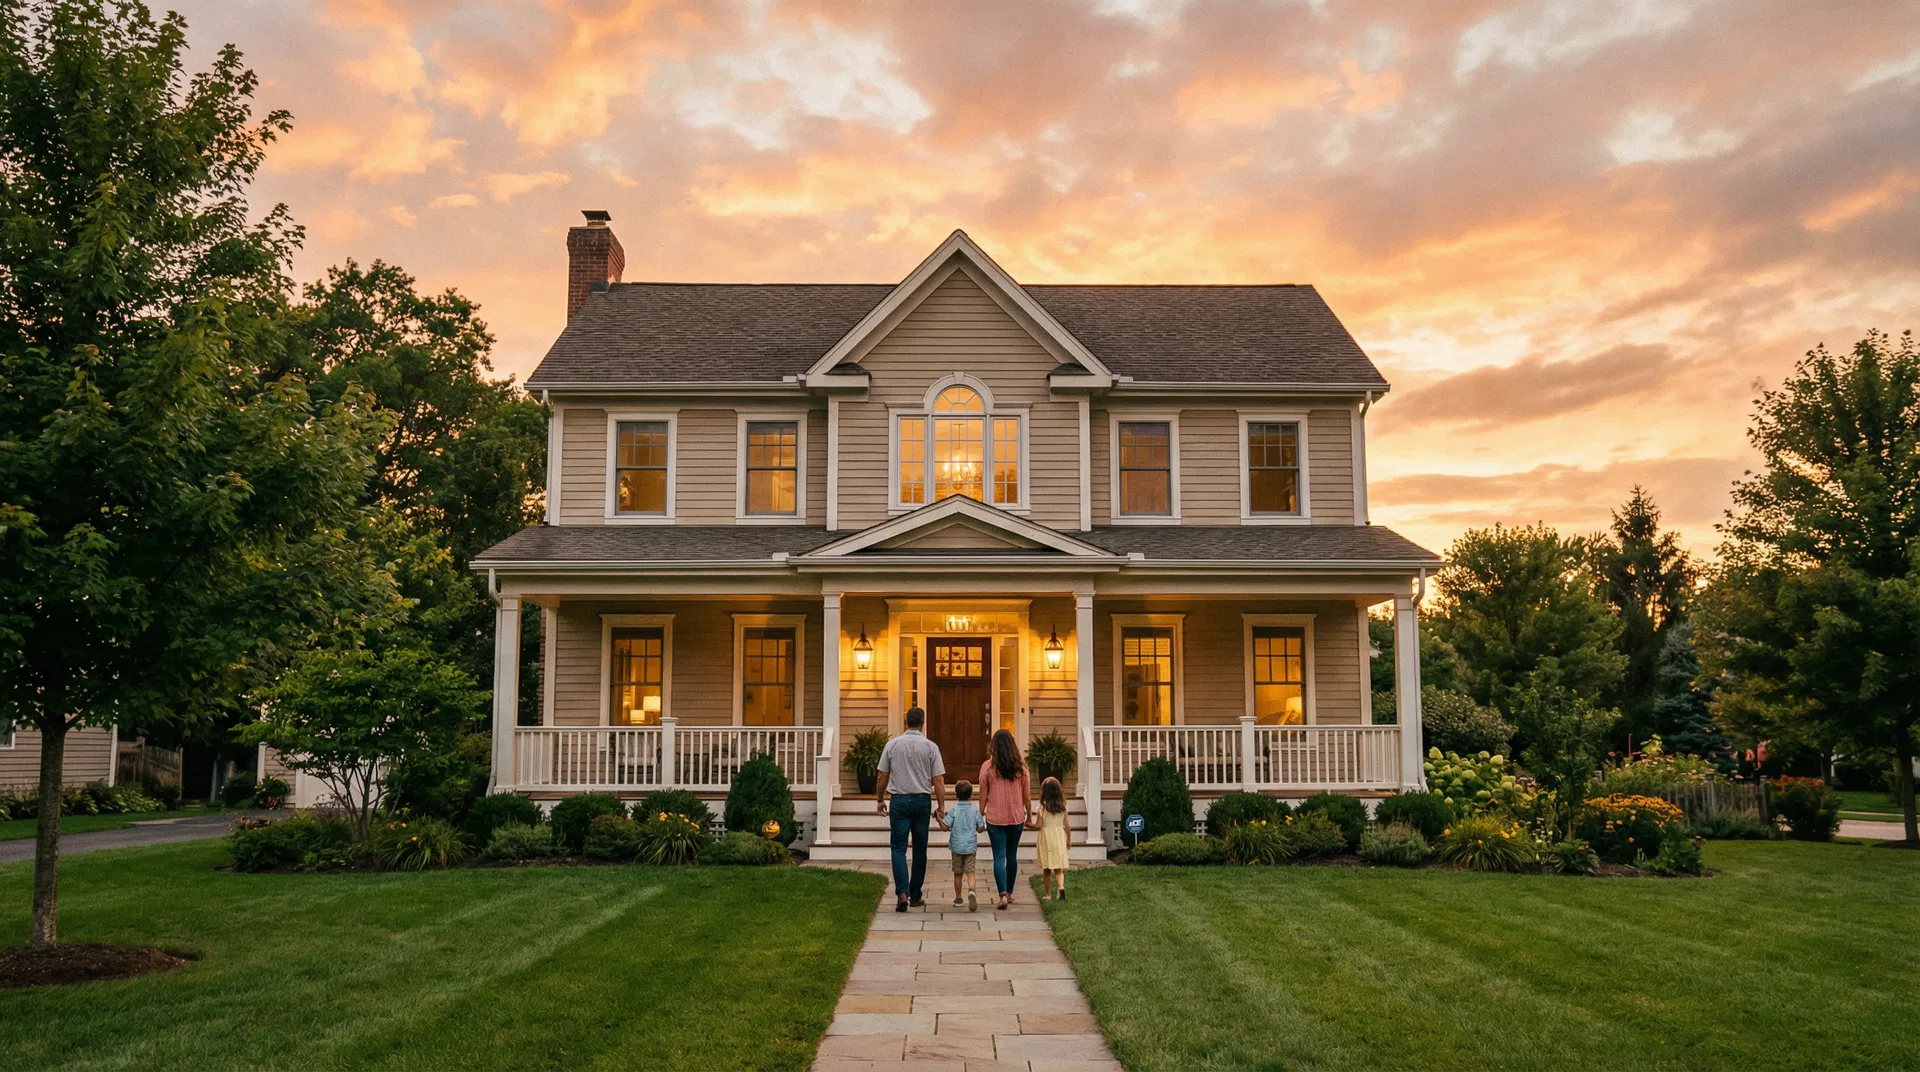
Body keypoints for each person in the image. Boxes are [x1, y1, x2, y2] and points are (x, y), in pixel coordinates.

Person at [874, 706, 946, 912]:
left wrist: (880, 799)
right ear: (922, 723)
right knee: (920, 849)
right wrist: (941, 806)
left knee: (898, 848)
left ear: (906, 722)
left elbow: (882, 775)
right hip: (922, 801)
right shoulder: (930, 747)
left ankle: (902, 892)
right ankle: (915, 895)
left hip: (899, 801)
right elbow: (938, 780)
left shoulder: (892, 745)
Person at [976, 729, 1031, 910]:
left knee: (998, 856)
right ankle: (1009, 892)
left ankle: (1002, 896)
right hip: (1016, 818)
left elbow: (983, 796)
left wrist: (980, 814)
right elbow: (1027, 797)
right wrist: (1030, 816)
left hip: (995, 818)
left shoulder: (988, 767)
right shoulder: (1021, 768)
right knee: (1012, 855)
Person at [938, 781, 985, 911]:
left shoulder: (954, 810)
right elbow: (981, 828)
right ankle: (971, 890)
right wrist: (976, 826)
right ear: (970, 795)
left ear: (956, 795)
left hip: (956, 846)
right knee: (970, 871)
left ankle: (958, 898)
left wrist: (939, 819)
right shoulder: (974, 810)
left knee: (958, 873)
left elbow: (945, 827)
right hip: (970, 846)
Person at [1035, 775, 1070, 900]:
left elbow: (1039, 826)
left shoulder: (1041, 808)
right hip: (1059, 838)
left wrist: (1028, 824)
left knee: (1047, 869)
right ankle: (1061, 887)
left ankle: (1048, 894)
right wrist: (1069, 841)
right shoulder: (1063, 807)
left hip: (1046, 839)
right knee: (1058, 868)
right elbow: (1067, 826)